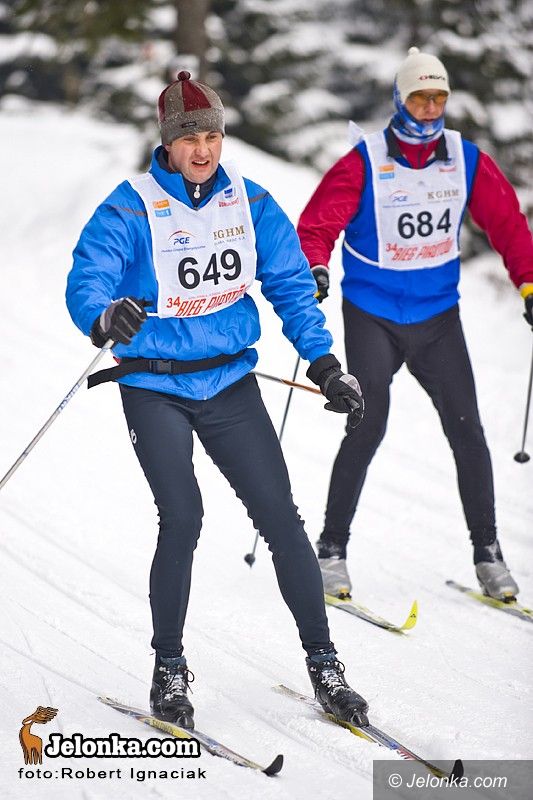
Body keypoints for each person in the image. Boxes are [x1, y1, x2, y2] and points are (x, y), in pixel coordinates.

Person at [66, 71, 369, 730]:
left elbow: (290, 285)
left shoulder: (250, 202)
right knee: (183, 515)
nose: (201, 149)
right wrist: (103, 315)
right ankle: (168, 669)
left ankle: (324, 664)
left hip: (229, 382)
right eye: (188, 138)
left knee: (281, 519)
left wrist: (324, 365)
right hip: (154, 386)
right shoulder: (131, 206)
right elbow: (88, 277)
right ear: (167, 142)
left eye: (211, 136)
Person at [298, 47, 533, 603]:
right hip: (372, 314)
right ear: (400, 99)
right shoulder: (364, 160)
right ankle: (331, 550)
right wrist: (314, 266)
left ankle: (488, 553)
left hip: (437, 318)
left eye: (439, 98)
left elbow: (508, 224)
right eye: (420, 97)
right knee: (367, 423)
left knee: (468, 430)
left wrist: (529, 282)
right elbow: (317, 225)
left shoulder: (464, 158)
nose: (430, 108)